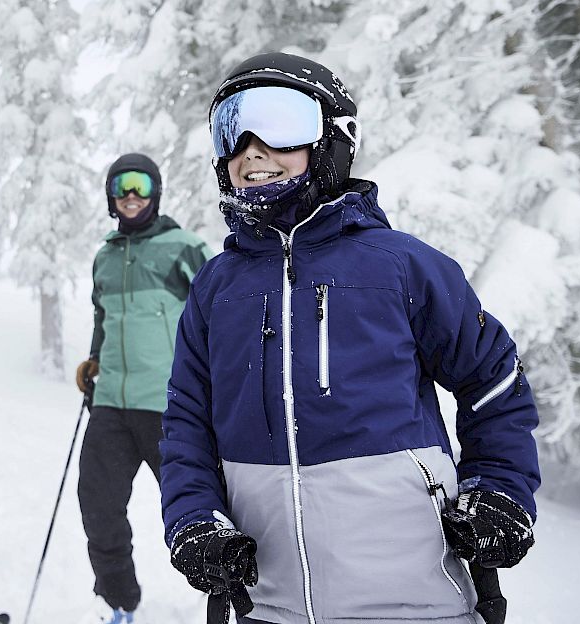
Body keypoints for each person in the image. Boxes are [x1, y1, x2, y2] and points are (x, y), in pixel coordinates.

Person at [159, 53, 540, 624]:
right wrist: (194, 522)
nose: (252, 150)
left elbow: (494, 382)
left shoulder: (399, 265)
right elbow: (186, 422)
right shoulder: (218, 288)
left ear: (333, 139)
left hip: (417, 602)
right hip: (269, 605)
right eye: (232, 129)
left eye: (282, 124)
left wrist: (502, 490)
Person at [75, 153, 211, 624]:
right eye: (121, 186)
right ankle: (118, 601)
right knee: (97, 503)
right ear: (111, 196)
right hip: (111, 402)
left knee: (201, 505)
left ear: (156, 191)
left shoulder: (185, 248)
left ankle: (231, 593)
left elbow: (217, 317)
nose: (131, 196)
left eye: (141, 185)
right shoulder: (105, 256)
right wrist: (94, 362)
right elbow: (102, 319)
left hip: (168, 405)